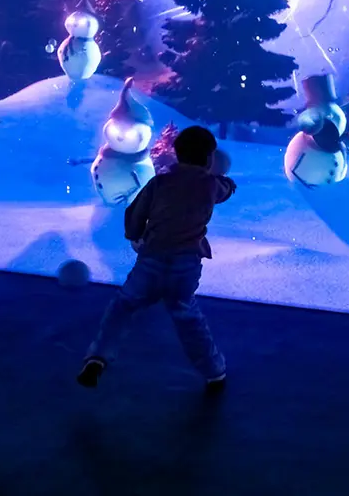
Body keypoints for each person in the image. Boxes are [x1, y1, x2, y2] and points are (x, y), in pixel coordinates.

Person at [77, 126, 236, 391]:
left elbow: (136, 212)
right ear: (209, 158)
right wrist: (225, 180)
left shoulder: (160, 182)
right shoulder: (210, 185)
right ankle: (214, 371)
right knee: (187, 316)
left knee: (123, 307)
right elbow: (225, 190)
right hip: (185, 265)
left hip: (151, 259)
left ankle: (98, 357)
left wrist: (134, 236)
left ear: (176, 154)